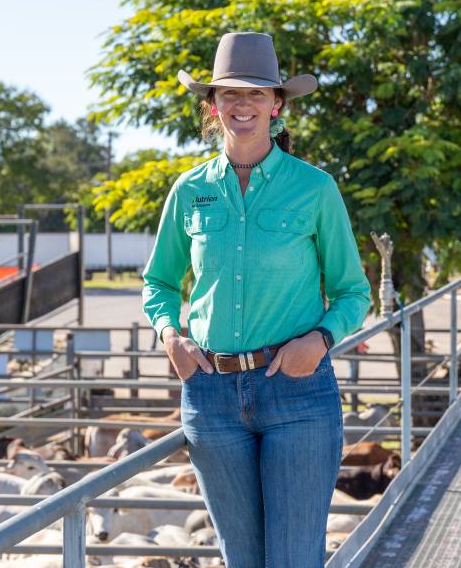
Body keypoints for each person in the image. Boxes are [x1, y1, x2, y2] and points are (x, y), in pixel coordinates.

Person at [141, 32, 372, 567]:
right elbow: (158, 283)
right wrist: (170, 335)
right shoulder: (188, 190)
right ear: (212, 106)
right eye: (229, 94)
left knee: (292, 559)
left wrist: (320, 340)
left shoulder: (315, 188)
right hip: (211, 398)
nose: (242, 105)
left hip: (296, 394)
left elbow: (351, 291)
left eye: (256, 94)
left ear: (277, 105)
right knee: (241, 560)